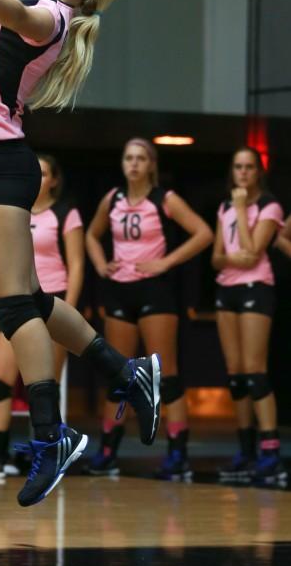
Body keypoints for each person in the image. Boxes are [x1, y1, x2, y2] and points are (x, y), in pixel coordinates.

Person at [0, 0, 163, 508]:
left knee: (12, 305)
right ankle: (126, 374)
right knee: (30, 300)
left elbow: (14, 8)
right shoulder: (53, 6)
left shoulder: (50, 20)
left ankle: (50, 434)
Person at [84, 137, 213, 480]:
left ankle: (177, 454)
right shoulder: (112, 199)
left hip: (156, 291)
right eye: (129, 158)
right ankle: (108, 450)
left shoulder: (164, 199)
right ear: (123, 163)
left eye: (141, 158)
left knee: (165, 375)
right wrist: (100, 264)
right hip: (119, 291)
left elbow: (203, 233)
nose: (134, 164)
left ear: (151, 165)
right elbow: (91, 235)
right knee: (119, 375)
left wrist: (166, 262)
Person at [0, 152, 85, 478]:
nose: (40, 178)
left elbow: (76, 266)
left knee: (45, 385)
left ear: (53, 181)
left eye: (46, 173)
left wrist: (68, 314)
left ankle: (49, 454)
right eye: (37, 172)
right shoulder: (11, 209)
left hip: (51, 303)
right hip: (15, 301)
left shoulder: (65, 213)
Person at [211, 146, 286, 486]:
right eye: (238, 167)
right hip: (227, 290)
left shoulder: (269, 206)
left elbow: (253, 252)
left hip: (257, 287)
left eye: (249, 167)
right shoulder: (224, 206)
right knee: (236, 375)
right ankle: (246, 451)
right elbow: (217, 258)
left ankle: (271, 452)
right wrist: (231, 259)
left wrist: (242, 209)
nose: (243, 173)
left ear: (258, 172)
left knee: (256, 372)